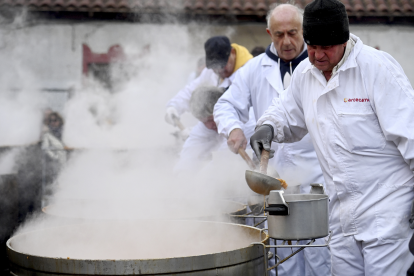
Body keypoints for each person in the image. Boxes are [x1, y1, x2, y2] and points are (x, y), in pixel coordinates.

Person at [250, 0, 414, 274]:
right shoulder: (306, 74)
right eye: (312, 47)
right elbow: (285, 112)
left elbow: (411, 135)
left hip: (387, 213)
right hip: (340, 216)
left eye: (326, 48)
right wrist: (267, 127)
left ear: (344, 40)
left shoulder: (376, 69)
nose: (317, 56)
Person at [213, 3, 330, 276]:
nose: (286, 41)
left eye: (293, 32)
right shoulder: (254, 69)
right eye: (279, 34)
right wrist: (233, 129)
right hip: (275, 186)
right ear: (269, 33)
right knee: (282, 260)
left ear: (304, 31)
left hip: (317, 181)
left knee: (320, 258)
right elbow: (224, 105)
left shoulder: (320, 66)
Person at [165, 36, 253, 130]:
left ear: (232, 52)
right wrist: (174, 106)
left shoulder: (250, 71)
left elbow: (246, 117)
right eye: (215, 68)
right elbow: (191, 91)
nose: (219, 71)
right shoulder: (210, 71)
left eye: (222, 66)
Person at [174, 86, 256, 173]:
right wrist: (181, 172)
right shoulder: (206, 124)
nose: (209, 126)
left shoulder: (247, 121)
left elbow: (222, 160)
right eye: (204, 122)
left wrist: (197, 182)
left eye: (210, 119)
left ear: (223, 111)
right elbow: (191, 149)